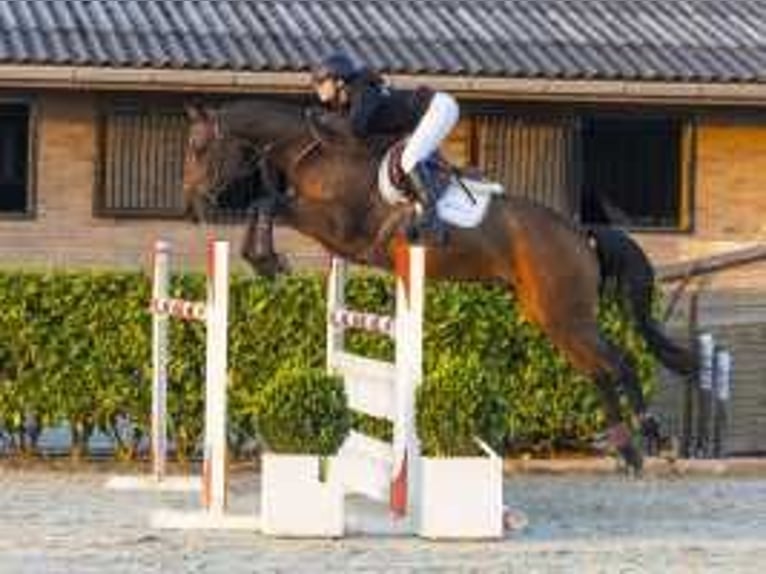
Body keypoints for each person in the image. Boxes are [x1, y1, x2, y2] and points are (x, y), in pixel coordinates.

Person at [310, 51, 459, 243]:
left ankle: (434, 220)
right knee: (403, 161)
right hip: (423, 118)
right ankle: (417, 210)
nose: (317, 87)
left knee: (409, 159)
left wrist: (324, 119)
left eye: (321, 81)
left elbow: (356, 128)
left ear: (339, 81)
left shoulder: (363, 91)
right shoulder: (351, 97)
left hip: (438, 108)